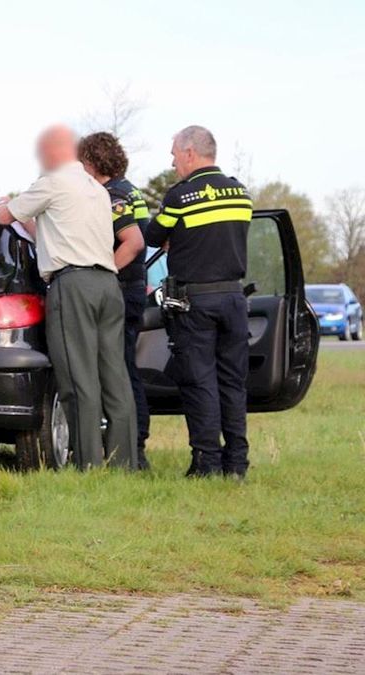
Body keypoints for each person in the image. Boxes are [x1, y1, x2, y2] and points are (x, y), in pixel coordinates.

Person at [0, 125, 138, 470]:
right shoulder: (97, 190)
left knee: (78, 377)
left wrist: (2, 203)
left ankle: (88, 464)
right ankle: (124, 464)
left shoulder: (52, 182)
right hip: (108, 285)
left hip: (73, 286)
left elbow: (5, 216)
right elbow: (54, 232)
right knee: (115, 378)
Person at [143, 125, 253, 479]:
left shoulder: (180, 196)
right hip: (234, 298)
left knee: (199, 381)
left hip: (196, 301)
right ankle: (236, 464)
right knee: (233, 382)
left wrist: (177, 237)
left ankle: (207, 462)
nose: (173, 163)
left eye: (174, 155)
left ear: (190, 153)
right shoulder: (240, 193)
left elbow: (153, 236)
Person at [77, 132, 151, 470]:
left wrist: (105, 275)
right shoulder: (130, 189)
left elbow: (133, 243)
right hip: (132, 287)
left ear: (92, 162)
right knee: (123, 367)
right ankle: (132, 445)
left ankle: (133, 447)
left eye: (81, 162)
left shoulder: (112, 195)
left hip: (121, 288)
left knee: (120, 371)